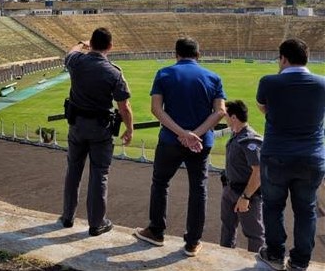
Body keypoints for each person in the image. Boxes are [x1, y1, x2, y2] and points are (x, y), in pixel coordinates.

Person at [134, 37, 226, 257]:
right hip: (201, 143)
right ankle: (193, 242)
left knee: (160, 183)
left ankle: (156, 231)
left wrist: (182, 133)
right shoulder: (213, 77)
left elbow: (157, 110)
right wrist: (195, 134)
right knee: (198, 189)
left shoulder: (164, 74)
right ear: (198, 55)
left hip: (169, 141)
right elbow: (220, 111)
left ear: (176, 54)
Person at [255, 38, 325, 271]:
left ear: (283, 58)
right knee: (306, 210)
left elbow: (263, 107)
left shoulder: (269, 82)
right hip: (312, 157)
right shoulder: (322, 84)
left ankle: (274, 254)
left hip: (276, 155)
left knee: (273, 206)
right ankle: (300, 261)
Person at [59, 27, 133, 237]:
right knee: (99, 174)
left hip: (76, 126)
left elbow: (70, 52)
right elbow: (124, 107)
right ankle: (96, 223)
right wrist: (129, 128)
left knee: (73, 169)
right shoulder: (113, 72)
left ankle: (67, 217)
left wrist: (82, 44)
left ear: (91, 43)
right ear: (110, 47)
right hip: (100, 129)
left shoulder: (77, 61)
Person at [220, 100, 264, 252]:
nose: (223, 118)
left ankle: (257, 267)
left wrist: (246, 197)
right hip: (230, 190)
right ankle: (224, 259)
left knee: (254, 234)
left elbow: (258, 172)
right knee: (227, 228)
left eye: (226, 115)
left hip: (245, 194)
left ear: (233, 117)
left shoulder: (250, 140)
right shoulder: (236, 134)